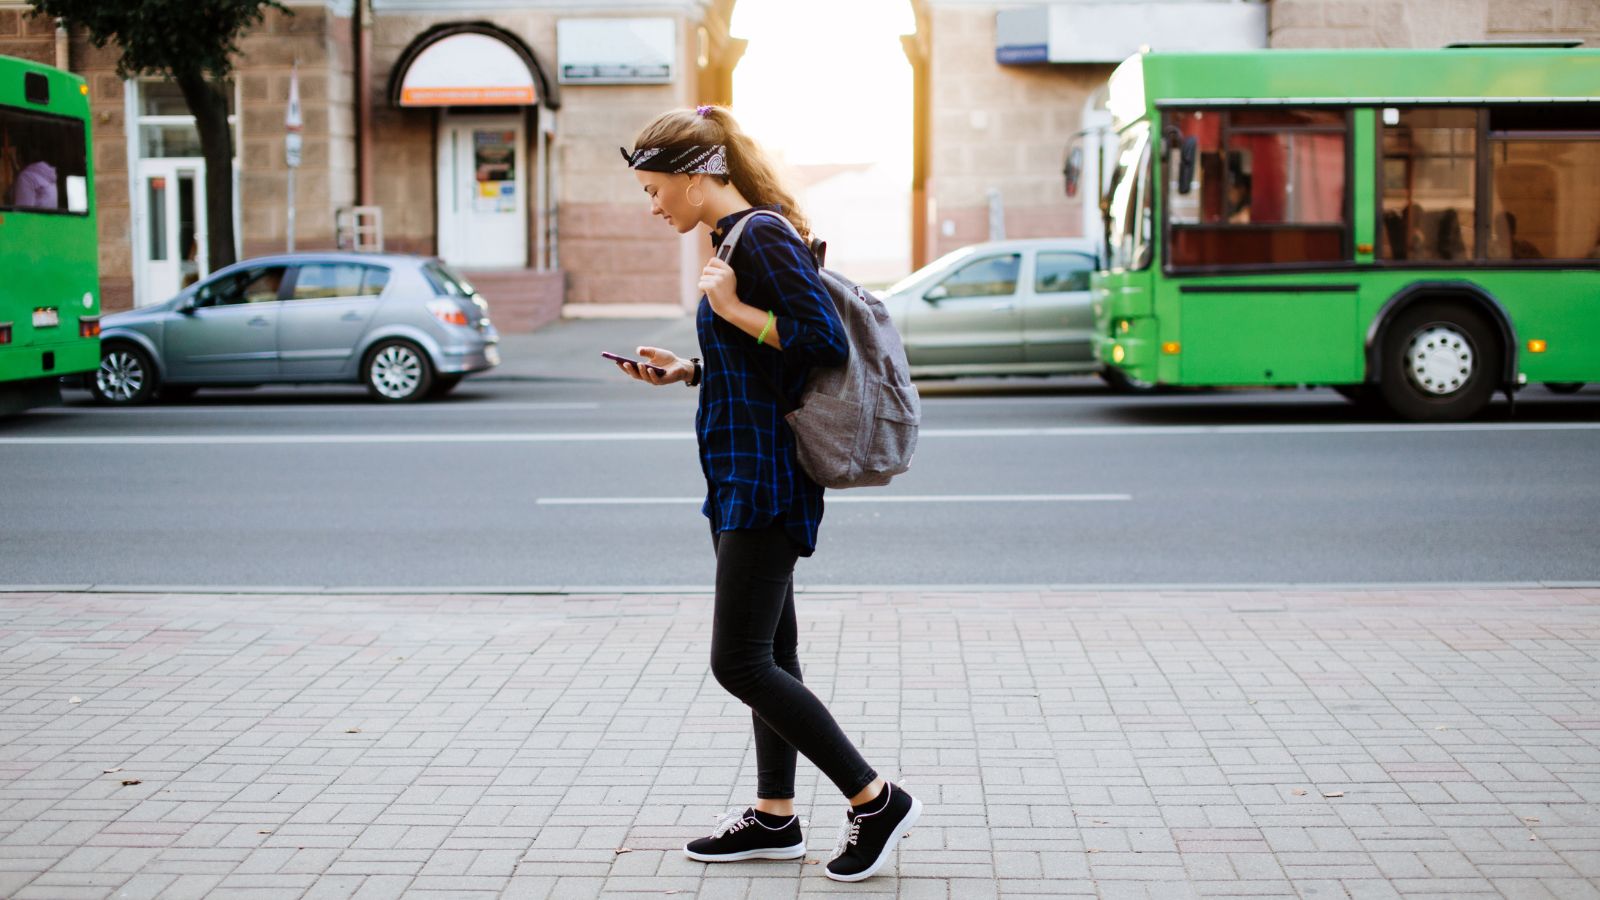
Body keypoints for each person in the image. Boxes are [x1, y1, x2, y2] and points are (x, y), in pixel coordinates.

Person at [612, 104, 922, 884]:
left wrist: (732, 310)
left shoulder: (761, 236)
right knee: (773, 654)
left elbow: (819, 339)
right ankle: (775, 818)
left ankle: (876, 798)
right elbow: (765, 362)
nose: (652, 206)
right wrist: (690, 368)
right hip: (737, 471)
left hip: (766, 479)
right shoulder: (735, 239)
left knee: (740, 663)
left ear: (695, 178)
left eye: (654, 189)